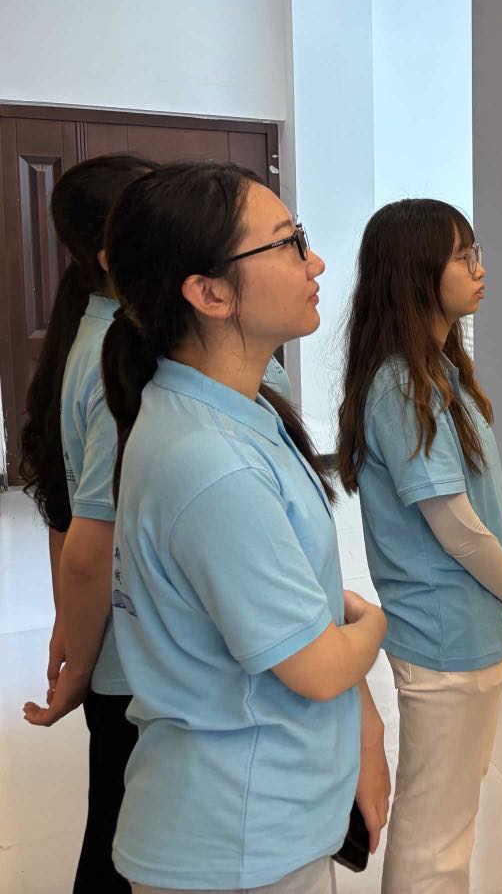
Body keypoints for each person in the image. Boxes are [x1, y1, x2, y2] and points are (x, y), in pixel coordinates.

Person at [98, 162, 390, 893]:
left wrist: (363, 724)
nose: (315, 263)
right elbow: (318, 665)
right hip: (236, 839)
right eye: (290, 244)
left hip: (264, 817)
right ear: (210, 293)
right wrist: (373, 625)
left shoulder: (241, 410)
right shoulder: (210, 461)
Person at [336, 199, 502, 894]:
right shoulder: (401, 384)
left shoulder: (442, 371)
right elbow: (454, 524)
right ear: (416, 273)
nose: (480, 268)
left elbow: (487, 498)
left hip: (473, 625)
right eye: (463, 256)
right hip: (443, 634)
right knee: (435, 833)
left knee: (452, 818)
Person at [19, 154, 155, 892]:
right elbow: (86, 544)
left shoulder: (99, 332)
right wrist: (78, 658)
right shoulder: (119, 359)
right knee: (121, 843)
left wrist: (71, 627)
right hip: (129, 658)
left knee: (116, 827)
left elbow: (66, 511)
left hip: (116, 650)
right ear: (113, 252)